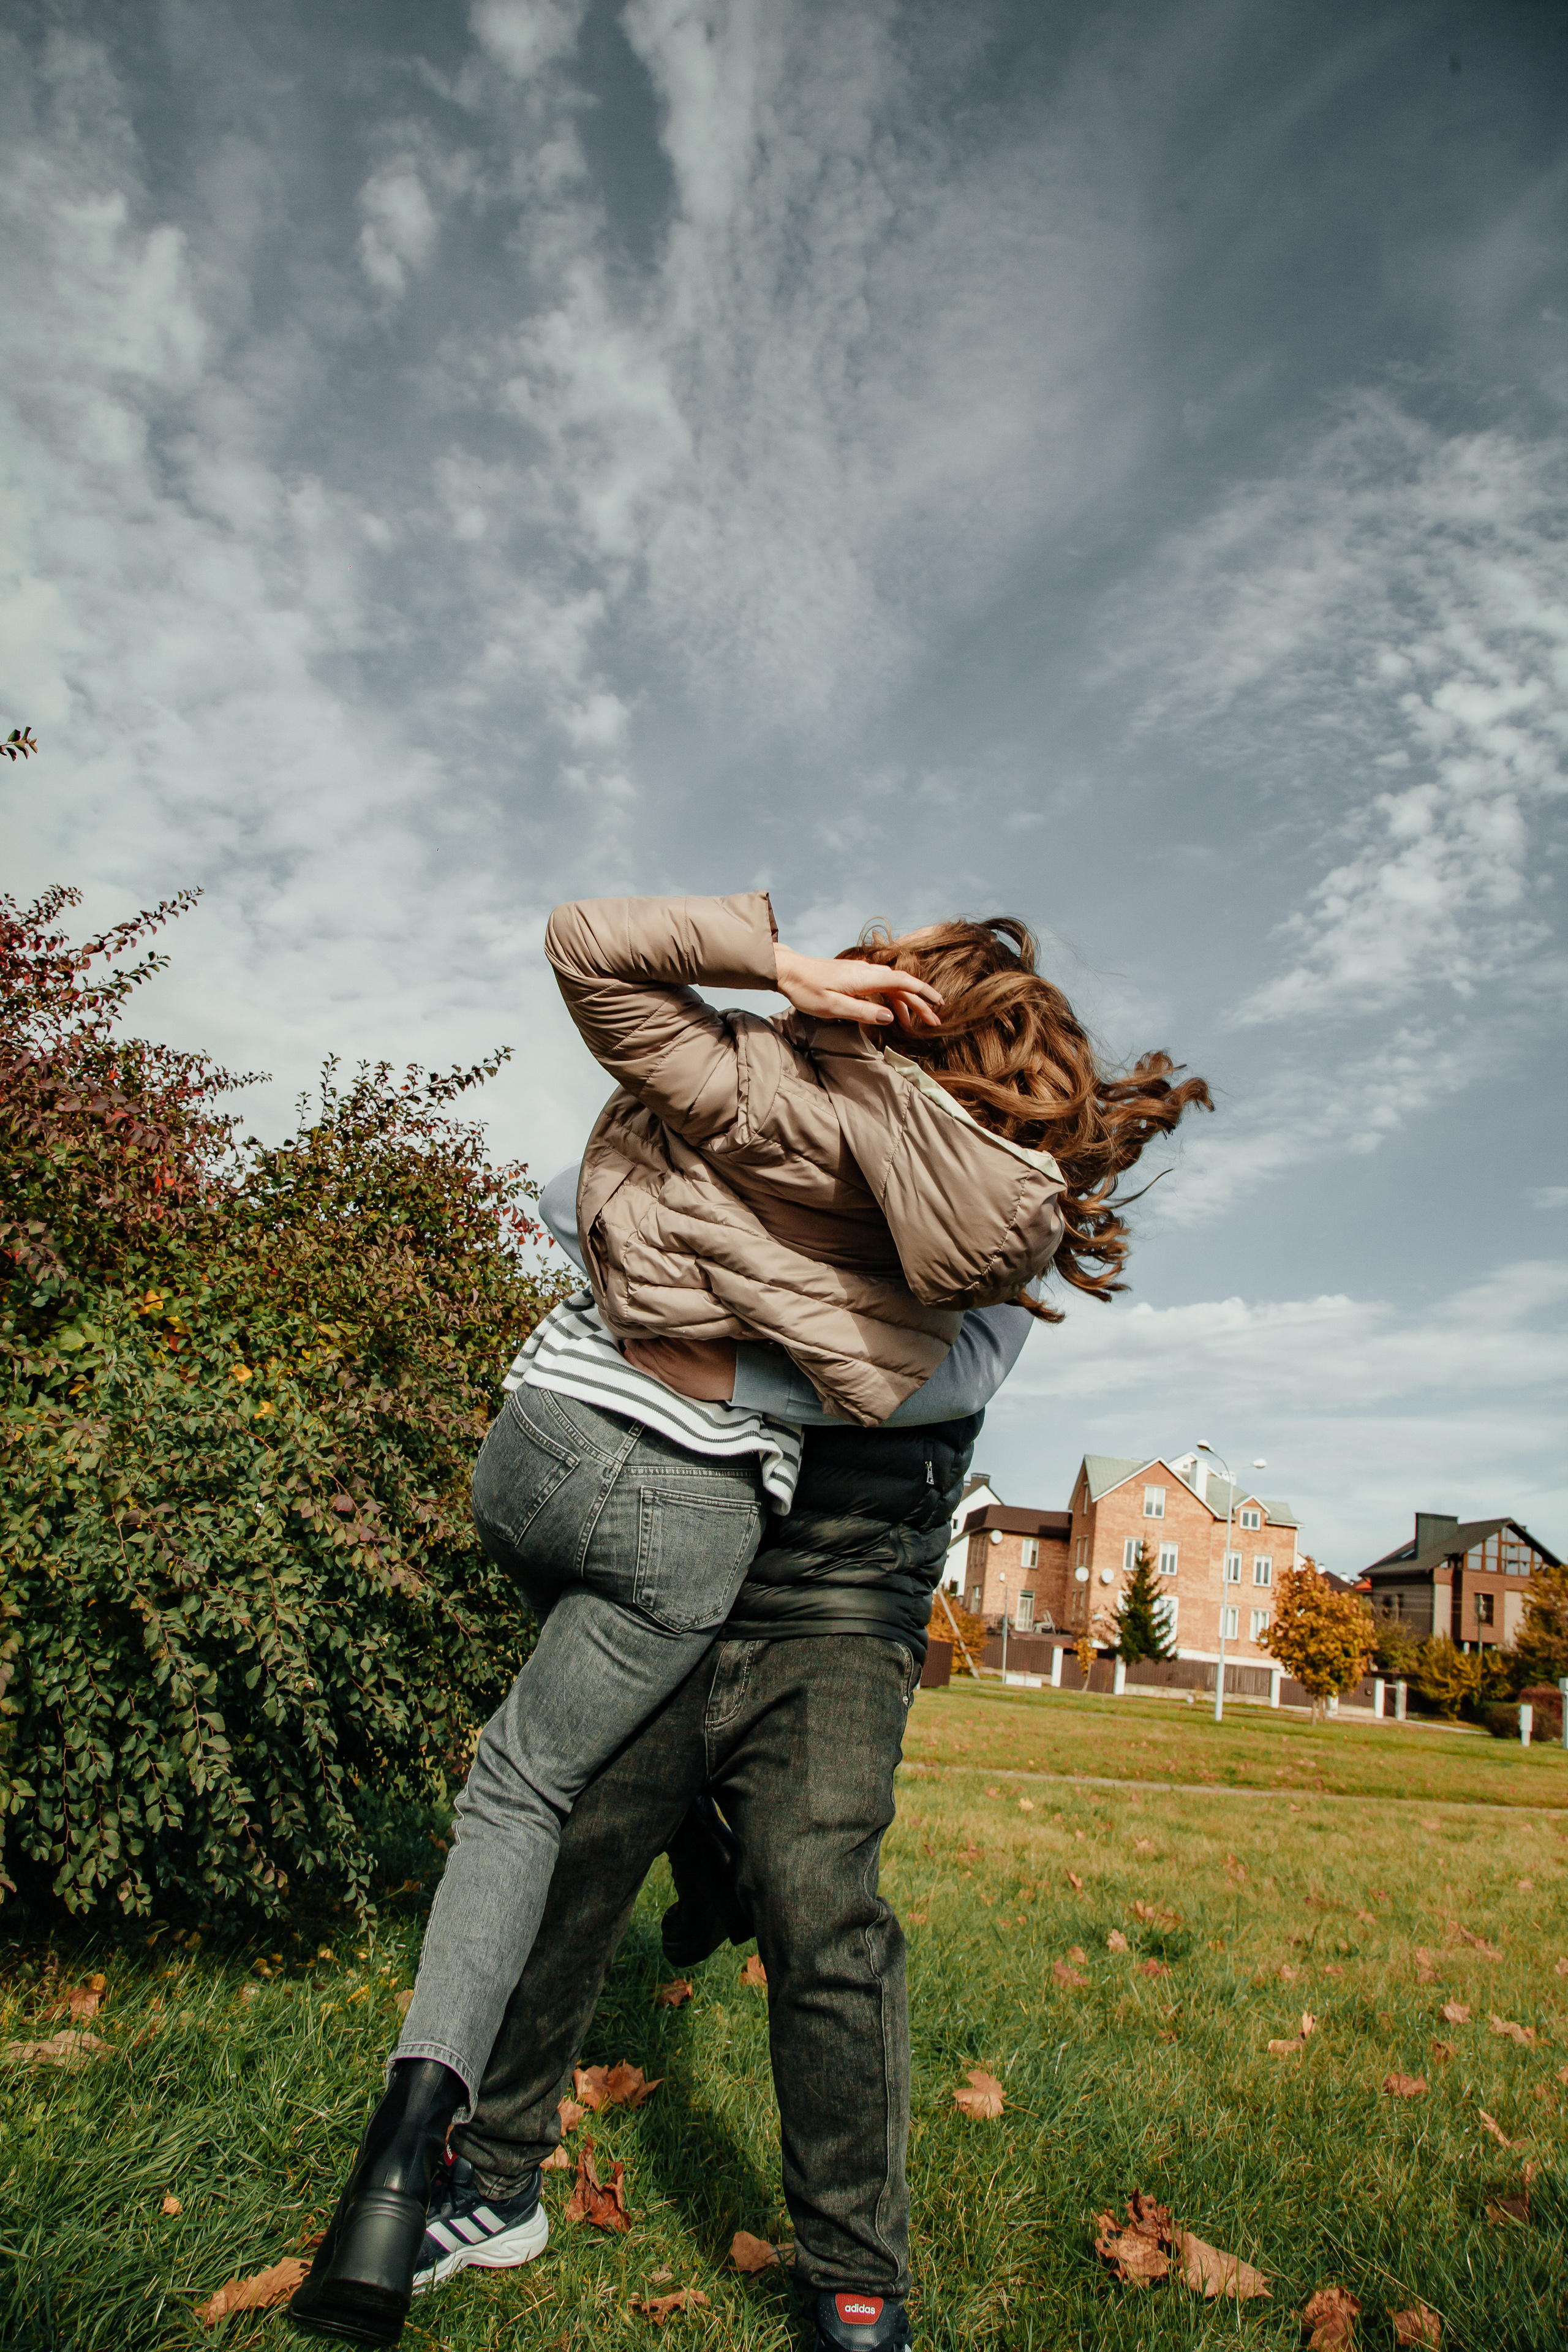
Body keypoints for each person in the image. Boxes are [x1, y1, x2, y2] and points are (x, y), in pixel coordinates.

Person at [290, 897, 1210, 2350]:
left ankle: (855, 2267)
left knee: (818, 1891)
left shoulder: (988, 1226)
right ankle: (496, 2180)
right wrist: (739, 1233)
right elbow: (563, 1197)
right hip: (699, 1523)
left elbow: (933, 1384)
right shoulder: (803, 1118)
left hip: (836, 1590)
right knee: (584, 1830)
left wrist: (720, 1330)